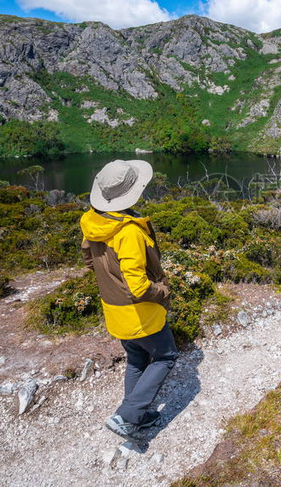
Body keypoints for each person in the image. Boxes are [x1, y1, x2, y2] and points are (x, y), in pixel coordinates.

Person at [79, 159, 177, 441]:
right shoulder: (129, 232)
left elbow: (89, 261)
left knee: (136, 359)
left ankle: (138, 414)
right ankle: (127, 416)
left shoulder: (92, 220)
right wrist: (163, 292)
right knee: (166, 356)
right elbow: (138, 286)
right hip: (139, 312)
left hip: (114, 309)